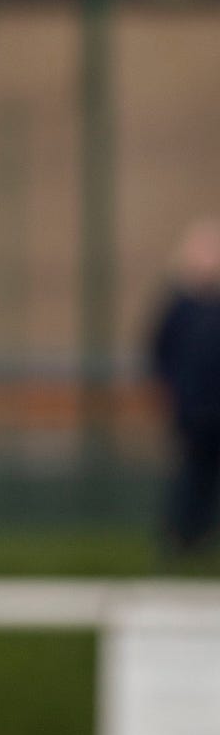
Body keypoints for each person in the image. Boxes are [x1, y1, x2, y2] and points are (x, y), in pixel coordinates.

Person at [149, 218, 220, 551]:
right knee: (191, 475)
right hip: (192, 410)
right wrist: (173, 391)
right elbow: (159, 352)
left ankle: (205, 535)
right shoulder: (178, 308)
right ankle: (182, 537)